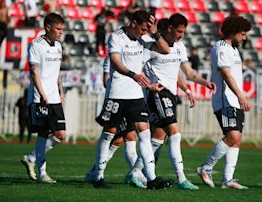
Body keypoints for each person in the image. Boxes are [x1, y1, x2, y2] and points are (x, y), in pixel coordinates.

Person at [128, 15, 216, 190]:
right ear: (169, 28)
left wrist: (195, 87)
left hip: (171, 94)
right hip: (159, 94)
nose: (181, 35)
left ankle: (134, 173)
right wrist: (149, 85)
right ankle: (182, 178)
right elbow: (137, 68)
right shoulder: (151, 47)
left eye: (183, 32)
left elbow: (185, 74)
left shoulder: (180, 47)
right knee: (175, 132)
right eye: (179, 31)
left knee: (157, 139)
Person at [90, 10, 172, 189]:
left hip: (136, 96)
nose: (144, 32)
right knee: (109, 134)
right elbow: (115, 61)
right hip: (117, 94)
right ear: (133, 23)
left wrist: (154, 31)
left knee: (145, 133)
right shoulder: (117, 37)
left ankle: (151, 178)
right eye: (142, 28)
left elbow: (165, 50)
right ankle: (98, 176)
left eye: (146, 30)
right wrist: (133, 75)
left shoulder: (144, 40)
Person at [196, 16, 252, 189]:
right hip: (225, 99)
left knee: (237, 139)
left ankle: (228, 180)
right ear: (233, 32)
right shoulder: (221, 48)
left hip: (234, 100)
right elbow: (226, 74)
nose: (245, 38)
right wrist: (240, 95)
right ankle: (206, 167)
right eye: (242, 34)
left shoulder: (233, 49)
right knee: (232, 136)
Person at [84, 56, 147, 187]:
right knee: (114, 135)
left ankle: (94, 172)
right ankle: (137, 176)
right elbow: (106, 81)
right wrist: (123, 84)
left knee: (125, 139)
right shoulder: (112, 58)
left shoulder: (134, 54)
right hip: (117, 101)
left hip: (131, 101)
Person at [20, 13, 65, 184]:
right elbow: (34, 72)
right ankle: (42, 173)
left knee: (60, 134)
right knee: (43, 133)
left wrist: (60, 92)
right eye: (58, 29)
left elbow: (57, 72)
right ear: (48, 27)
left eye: (62, 29)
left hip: (54, 96)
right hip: (41, 97)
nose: (61, 32)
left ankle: (30, 157)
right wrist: (42, 94)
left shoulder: (59, 46)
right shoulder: (36, 45)